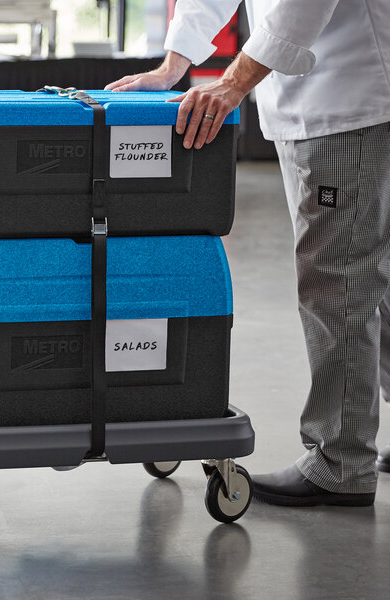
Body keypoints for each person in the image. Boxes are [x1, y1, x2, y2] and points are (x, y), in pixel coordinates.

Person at [106, 0, 390, 506]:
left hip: (348, 102)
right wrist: (176, 63)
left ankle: (341, 461)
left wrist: (233, 82)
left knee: (338, 278)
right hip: (322, 102)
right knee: (375, 270)